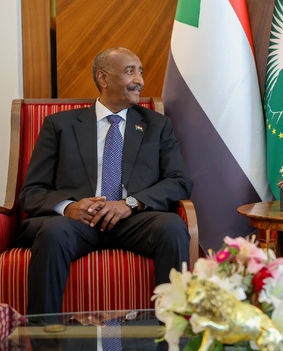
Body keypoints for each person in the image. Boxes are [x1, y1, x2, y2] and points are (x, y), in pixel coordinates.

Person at [14, 47, 194, 315]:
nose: (139, 80)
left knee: (172, 227)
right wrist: (69, 207)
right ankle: (44, 332)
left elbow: (179, 181)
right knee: (53, 232)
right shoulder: (59, 125)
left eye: (140, 72)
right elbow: (32, 191)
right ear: (103, 78)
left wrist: (130, 203)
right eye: (130, 71)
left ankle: (172, 329)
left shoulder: (157, 125)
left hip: (134, 220)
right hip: (77, 224)